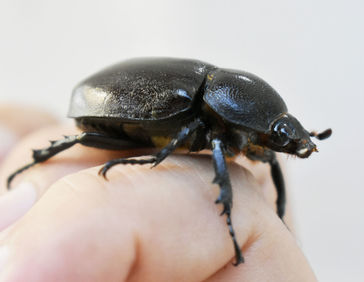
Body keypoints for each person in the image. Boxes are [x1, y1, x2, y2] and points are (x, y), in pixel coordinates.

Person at [0, 104, 317, 281]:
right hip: (112, 113)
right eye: (280, 134)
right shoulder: (208, 123)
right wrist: (156, 159)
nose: (289, 145)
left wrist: (280, 223)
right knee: (84, 141)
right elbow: (199, 137)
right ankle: (35, 163)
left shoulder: (223, 125)